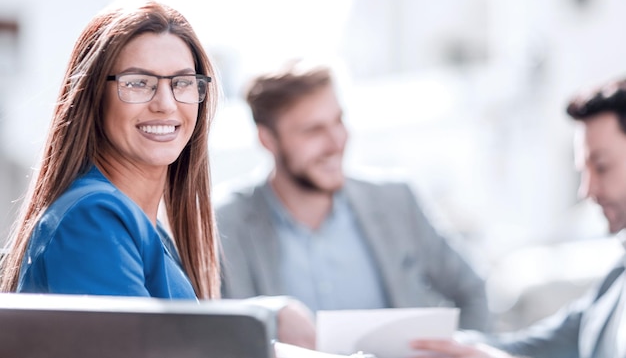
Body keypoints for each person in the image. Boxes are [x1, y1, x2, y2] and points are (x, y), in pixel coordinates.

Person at [0, 0, 337, 358]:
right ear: (94, 96)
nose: (165, 103)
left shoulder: (146, 227)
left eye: (183, 83)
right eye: (138, 83)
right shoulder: (94, 217)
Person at [215, 59, 491, 331]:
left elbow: (472, 292)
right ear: (268, 140)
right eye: (314, 130)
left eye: (338, 121)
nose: (337, 141)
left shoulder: (396, 202)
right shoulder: (224, 225)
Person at [412, 77, 626, 357]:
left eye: (601, 166)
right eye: (582, 171)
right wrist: (448, 346)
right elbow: (547, 344)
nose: (587, 190)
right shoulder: (617, 276)